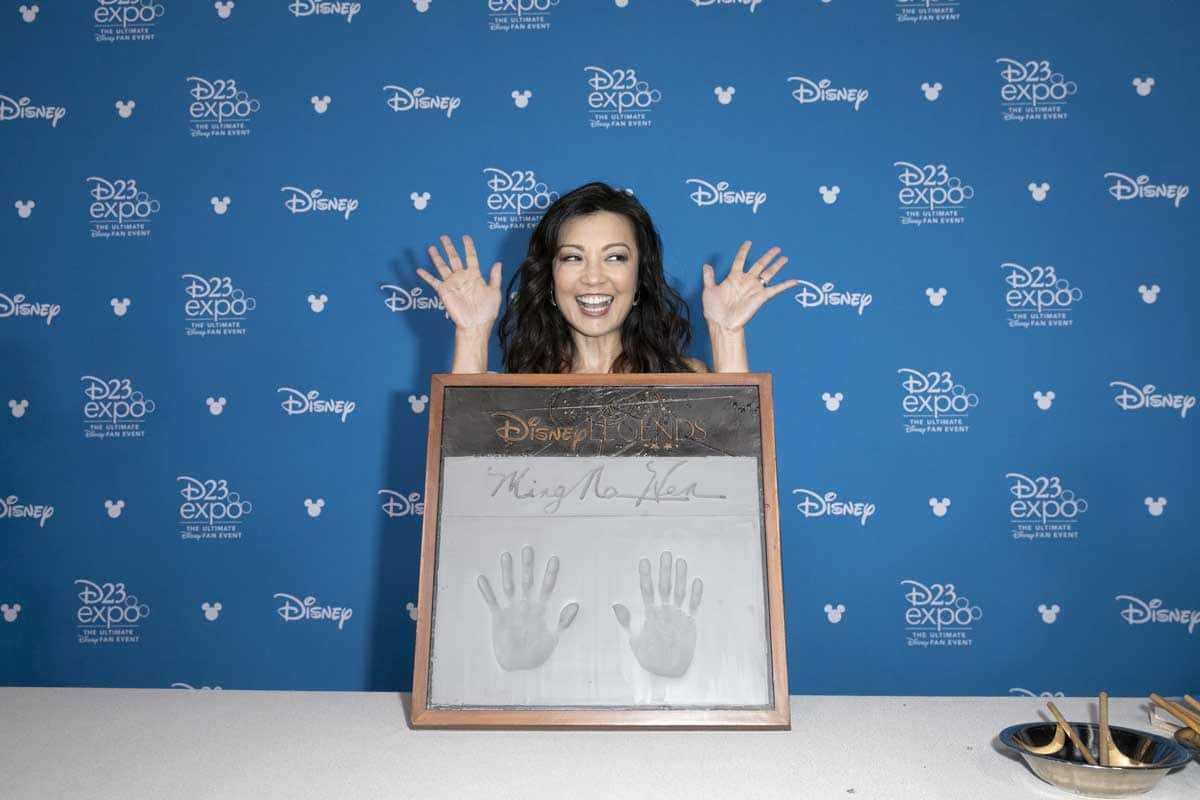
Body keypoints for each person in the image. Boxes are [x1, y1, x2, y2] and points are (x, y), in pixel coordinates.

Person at [415, 182, 796, 374]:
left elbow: (736, 469)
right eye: (573, 257)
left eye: (615, 257)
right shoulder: (521, 390)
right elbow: (467, 476)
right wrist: (471, 333)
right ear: (549, 278)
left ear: (639, 276)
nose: (593, 278)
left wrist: (727, 336)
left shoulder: (683, 377)